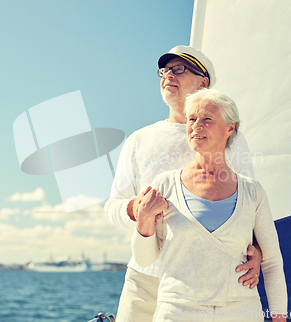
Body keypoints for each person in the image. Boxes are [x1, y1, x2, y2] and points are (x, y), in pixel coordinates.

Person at [105, 46, 262, 322]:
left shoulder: (231, 138)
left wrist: (257, 252)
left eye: (179, 69)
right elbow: (113, 207)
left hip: (204, 282)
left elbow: (249, 205)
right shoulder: (138, 140)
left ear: (203, 82)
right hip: (144, 281)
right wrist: (136, 208)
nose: (168, 75)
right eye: (164, 71)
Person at [132, 89, 287, 321]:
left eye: (207, 119)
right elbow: (145, 259)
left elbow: (272, 262)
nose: (196, 125)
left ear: (230, 128)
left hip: (241, 311)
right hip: (176, 311)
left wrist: (279, 317)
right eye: (192, 119)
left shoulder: (252, 191)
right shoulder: (164, 185)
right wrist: (144, 219)